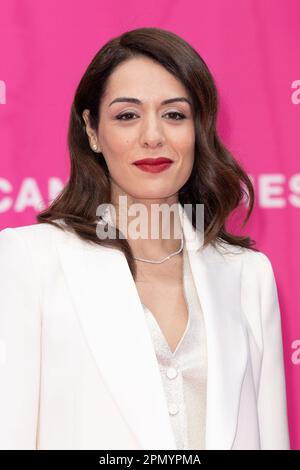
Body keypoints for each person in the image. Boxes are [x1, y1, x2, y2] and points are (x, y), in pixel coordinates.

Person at [0, 27, 290, 450]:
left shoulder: (248, 275)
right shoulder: (29, 260)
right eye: (127, 115)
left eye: (174, 115)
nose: (153, 136)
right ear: (92, 130)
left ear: (199, 129)